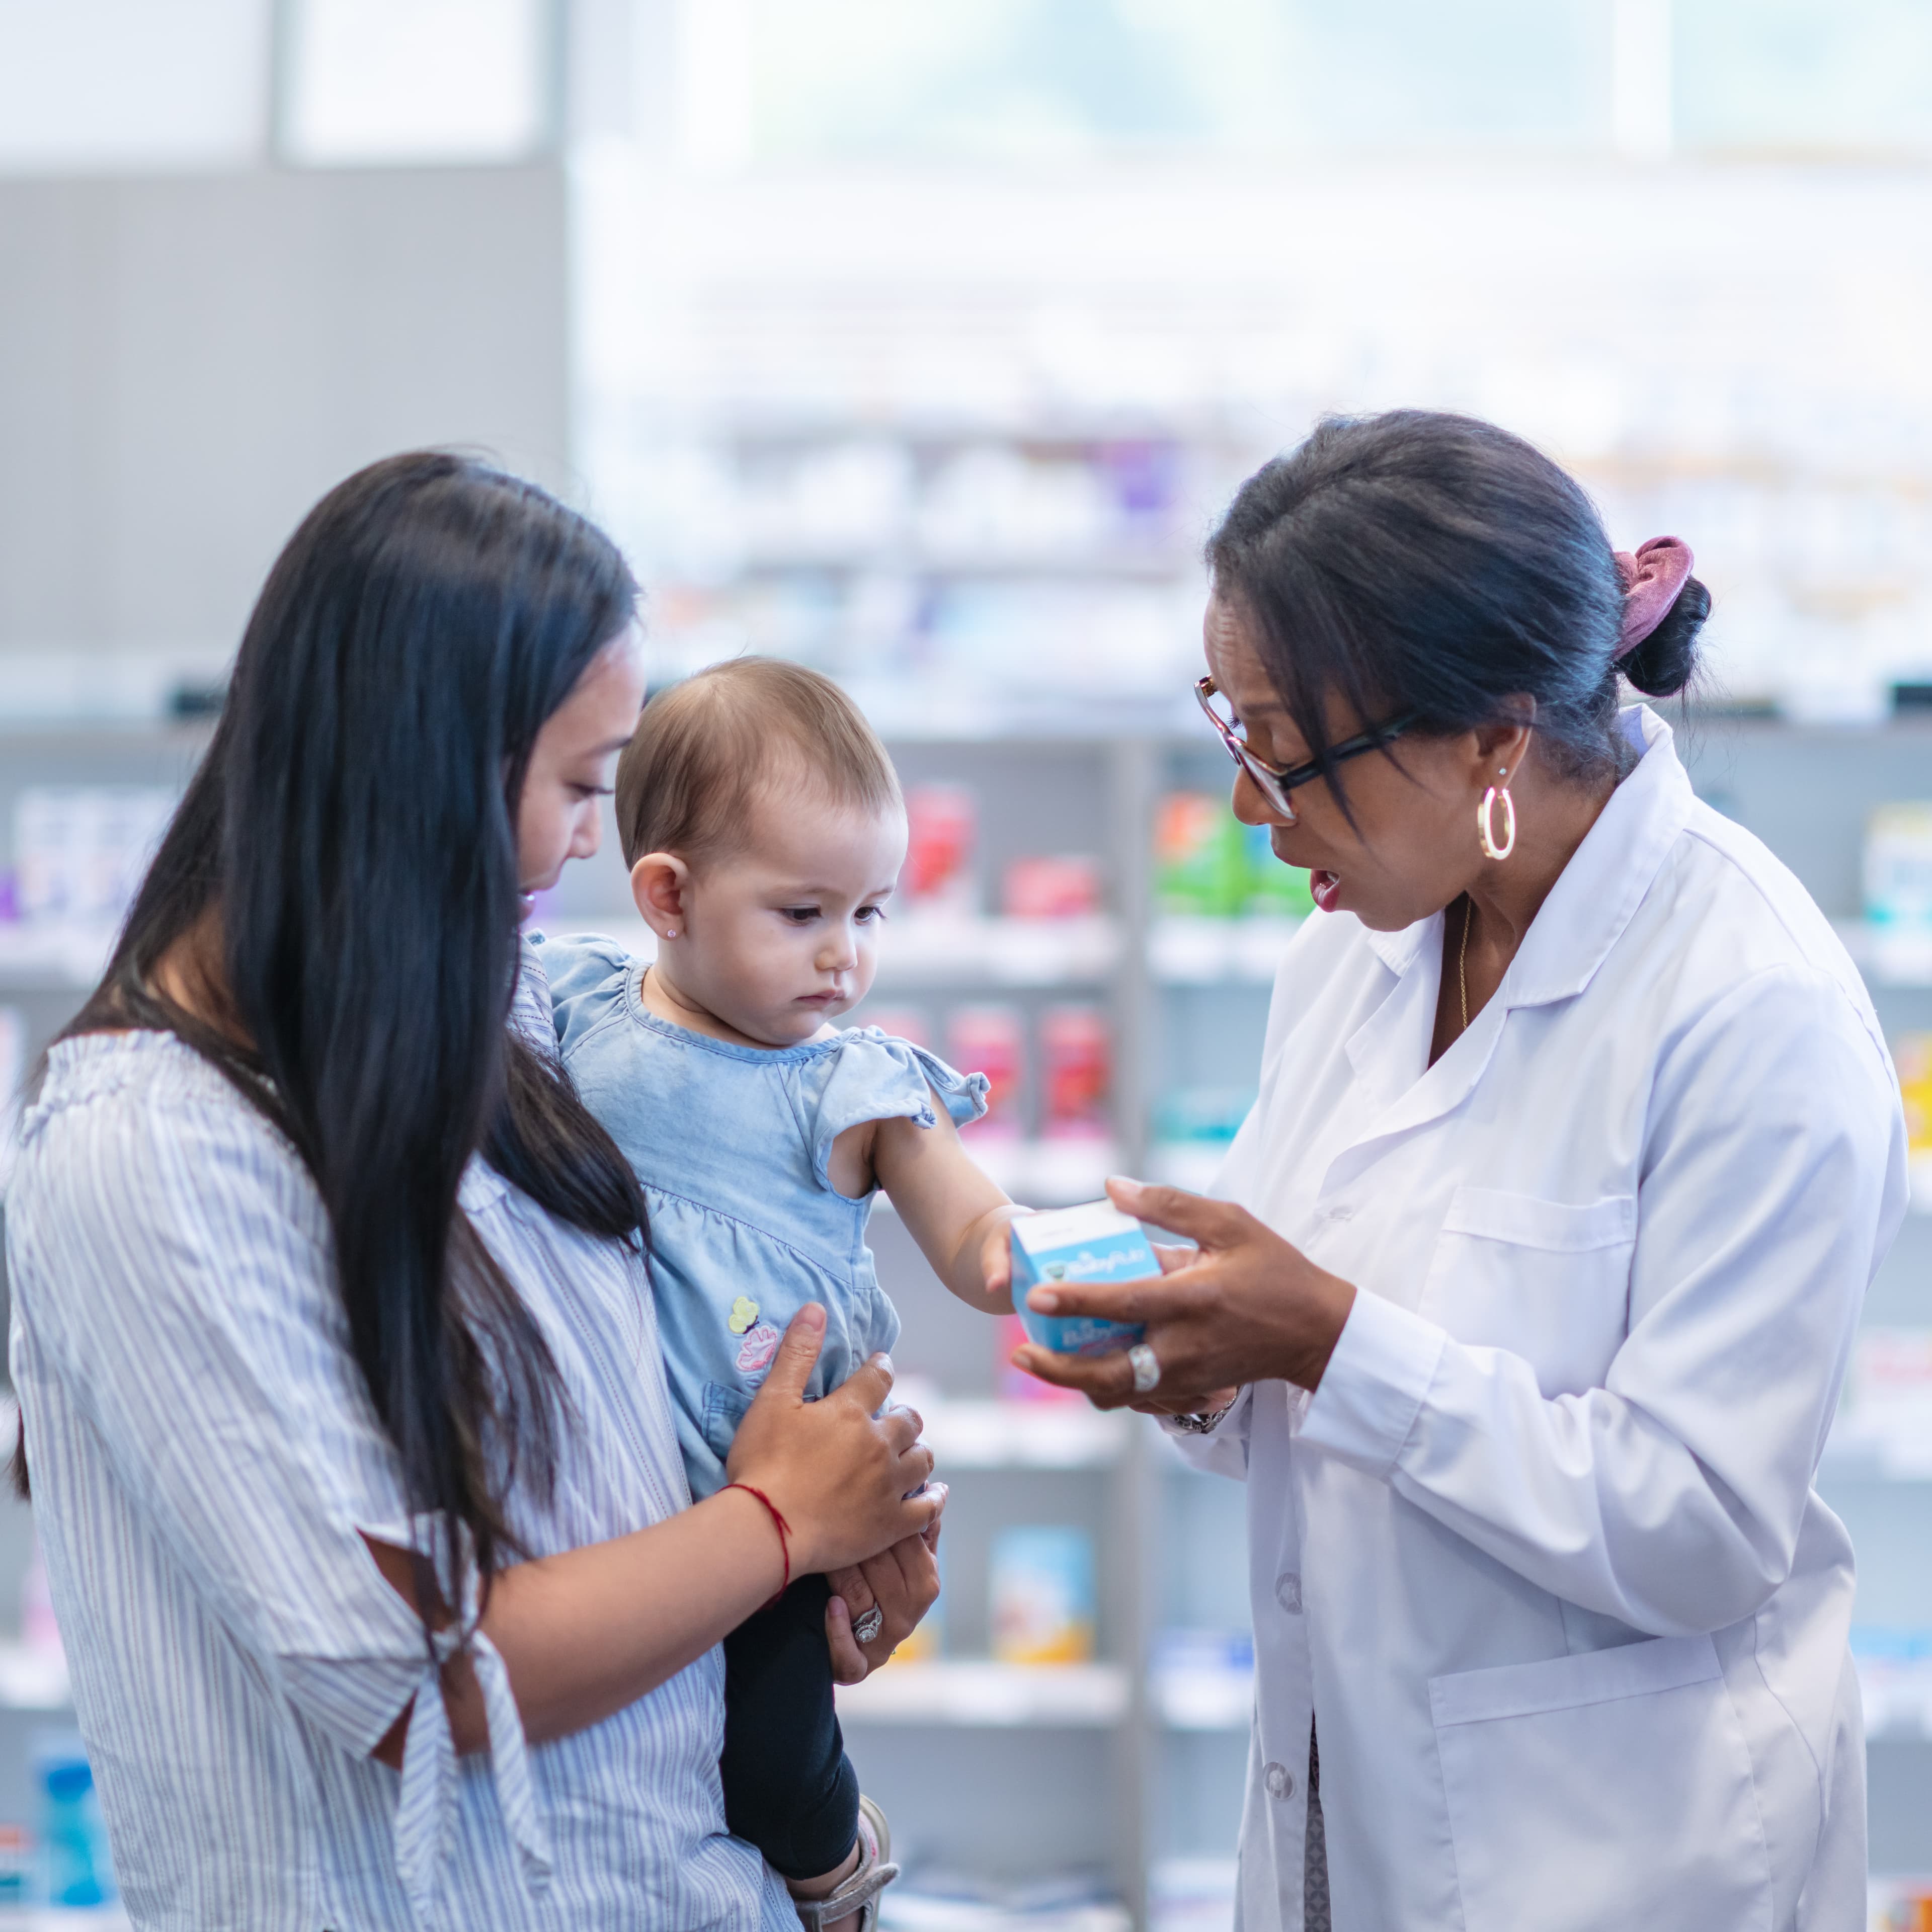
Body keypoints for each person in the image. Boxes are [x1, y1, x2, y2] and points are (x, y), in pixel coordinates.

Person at [6, 453, 941, 1931]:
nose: (593, 839)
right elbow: (413, 1672)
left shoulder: (480, 1014)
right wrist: (770, 1524)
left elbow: (590, 1462)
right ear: (419, 764)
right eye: (579, 783)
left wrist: (786, 1553)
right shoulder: (154, 1150)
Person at [1012, 411, 1906, 1932]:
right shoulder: (1351, 959)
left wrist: (1327, 1339)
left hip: (1617, 1857)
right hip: (1336, 1813)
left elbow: (1698, 1528)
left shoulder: (1753, 1008)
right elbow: (1299, 1393)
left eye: (1286, 755)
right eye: (1235, 735)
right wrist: (1200, 1363)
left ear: (1493, 739)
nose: (1250, 808)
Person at [530, 655, 1026, 1924]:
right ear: (668, 896)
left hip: (782, 1479)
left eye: (872, 915)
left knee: (772, 1747)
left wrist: (1034, 1267)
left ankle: (833, 1871)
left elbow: (969, 1220)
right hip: (617, 1491)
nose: (845, 958)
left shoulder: (853, 1083)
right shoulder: (583, 1012)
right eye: (804, 914)